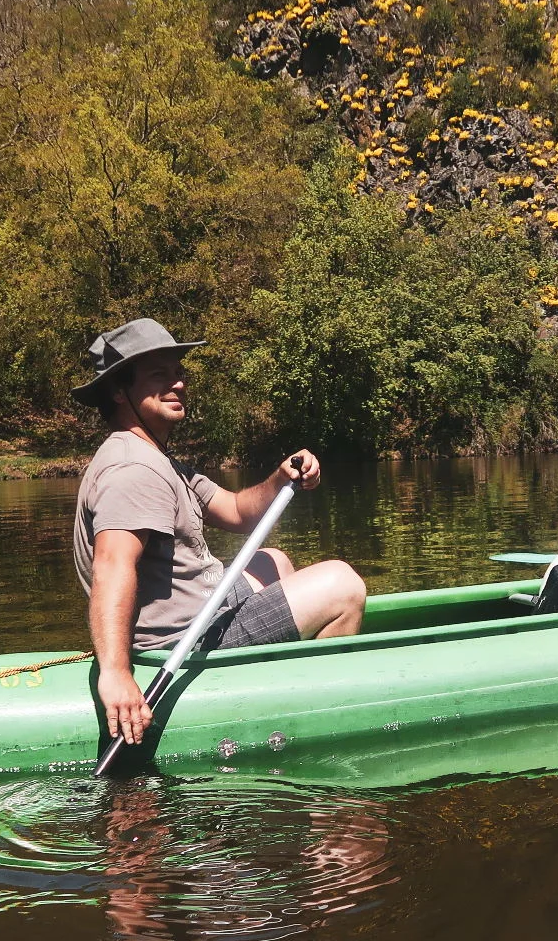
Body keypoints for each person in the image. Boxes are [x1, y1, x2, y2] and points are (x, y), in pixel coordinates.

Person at [71, 319, 366, 746]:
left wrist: (282, 478)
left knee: (274, 560)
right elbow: (112, 566)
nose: (179, 382)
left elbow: (236, 511)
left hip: (203, 609)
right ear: (119, 390)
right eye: (160, 374)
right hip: (181, 641)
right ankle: (327, 710)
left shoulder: (158, 459)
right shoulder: (132, 470)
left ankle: (271, 675)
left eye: (179, 371)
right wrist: (116, 674)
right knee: (342, 585)